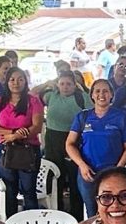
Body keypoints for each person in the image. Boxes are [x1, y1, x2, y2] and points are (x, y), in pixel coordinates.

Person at [65, 78, 126, 216]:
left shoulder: (121, 116)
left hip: (112, 173)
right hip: (88, 173)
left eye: (105, 91)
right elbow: (69, 144)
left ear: (111, 95)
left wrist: (118, 168)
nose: (101, 94)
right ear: (92, 95)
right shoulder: (83, 116)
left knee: (112, 210)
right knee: (92, 212)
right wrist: (81, 165)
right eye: (97, 91)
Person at [38, 61, 92, 215]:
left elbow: (93, 113)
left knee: (74, 179)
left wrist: (82, 89)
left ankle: (76, 214)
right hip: (53, 141)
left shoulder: (82, 97)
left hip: (74, 141)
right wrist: (47, 83)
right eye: (62, 84)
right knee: (55, 178)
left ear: (75, 85)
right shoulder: (51, 96)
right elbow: (32, 94)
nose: (65, 87)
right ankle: (57, 211)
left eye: (69, 84)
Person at [0, 66, 42, 215]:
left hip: (28, 150)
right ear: (6, 81)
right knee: (9, 190)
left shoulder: (33, 101)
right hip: (6, 150)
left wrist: (17, 136)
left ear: (25, 81)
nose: (16, 83)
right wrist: (12, 133)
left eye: (20, 79)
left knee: (29, 190)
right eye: (12, 79)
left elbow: (37, 127)